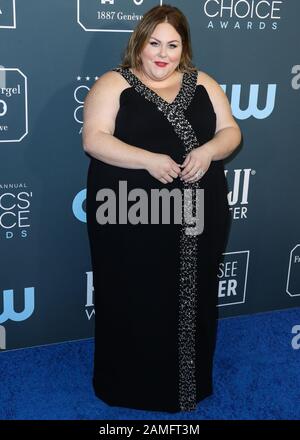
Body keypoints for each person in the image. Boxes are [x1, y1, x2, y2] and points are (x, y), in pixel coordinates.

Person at [82, 4, 241, 413]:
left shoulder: (203, 81)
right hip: (128, 211)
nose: (163, 53)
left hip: (198, 211)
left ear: (183, 48)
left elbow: (231, 131)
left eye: (173, 44)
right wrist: (148, 159)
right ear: (139, 42)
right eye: (155, 42)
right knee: (131, 293)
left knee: (194, 294)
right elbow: (94, 140)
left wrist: (208, 151)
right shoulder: (113, 83)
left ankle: (187, 386)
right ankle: (126, 387)